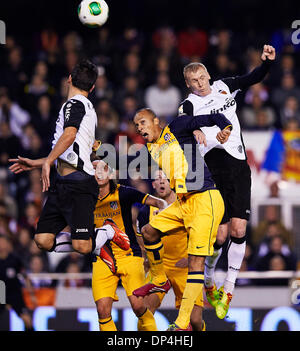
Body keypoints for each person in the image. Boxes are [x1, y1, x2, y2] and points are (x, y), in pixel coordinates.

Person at [179, 44, 276, 319]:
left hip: (238, 165)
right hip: (214, 168)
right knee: (219, 236)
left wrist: (267, 63)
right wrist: (195, 128)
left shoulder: (225, 86)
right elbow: (182, 119)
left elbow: (252, 78)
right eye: (193, 81)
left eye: (202, 78)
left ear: (208, 75)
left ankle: (228, 292)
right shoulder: (190, 103)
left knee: (239, 229)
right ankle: (209, 278)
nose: (199, 84)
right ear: (188, 84)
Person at [9, 59, 130, 258]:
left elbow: (69, 135)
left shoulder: (73, 104)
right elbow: (71, 151)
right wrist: (36, 163)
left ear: (69, 79)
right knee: (43, 240)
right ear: (92, 87)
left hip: (80, 185)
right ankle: (94, 239)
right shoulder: (88, 108)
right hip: (63, 184)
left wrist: (47, 162)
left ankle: (107, 231)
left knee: (82, 246)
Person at [132, 107, 232, 331]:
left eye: (142, 122)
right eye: (136, 125)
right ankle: (159, 277)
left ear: (156, 121)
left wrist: (225, 126)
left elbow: (208, 117)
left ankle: (181, 322)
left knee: (196, 263)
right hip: (183, 203)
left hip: (205, 200)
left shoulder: (176, 127)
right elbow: (126, 159)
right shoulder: (151, 147)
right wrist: (99, 147)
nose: (139, 127)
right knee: (149, 231)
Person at [92, 160, 167, 331]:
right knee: (102, 310)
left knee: (139, 306)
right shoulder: (85, 198)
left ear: (110, 174)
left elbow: (159, 202)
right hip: (102, 258)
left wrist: (162, 212)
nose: (99, 172)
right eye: (94, 169)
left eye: (103, 168)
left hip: (129, 256)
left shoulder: (124, 193)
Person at [137, 170, 205, 331]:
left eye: (165, 179)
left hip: (184, 268)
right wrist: (146, 260)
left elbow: (201, 235)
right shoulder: (145, 211)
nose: (161, 182)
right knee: (143, 311)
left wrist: (191, 259)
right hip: (159, 267)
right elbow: (141, 238)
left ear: (172, 182)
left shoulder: (186, 206)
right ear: (153, 184)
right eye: (157, 179)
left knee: (195, 320)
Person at [0, 235, 36, 331]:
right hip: (1, 293)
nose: (2, 245)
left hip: (15, 294)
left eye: (3, 242)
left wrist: (31, 294)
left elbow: (25, 277)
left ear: (8, 244)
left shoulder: (15, 259)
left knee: (27, 320)